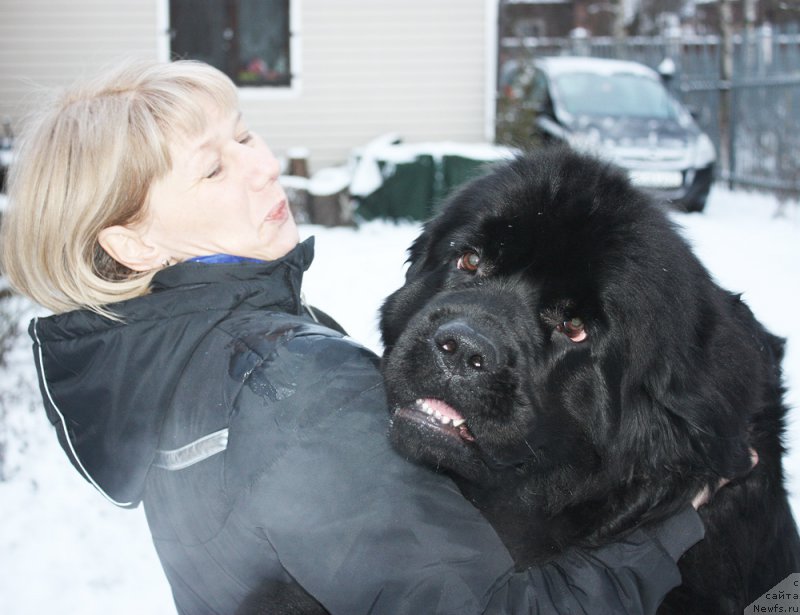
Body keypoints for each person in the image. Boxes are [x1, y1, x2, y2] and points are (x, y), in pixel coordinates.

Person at [1, 59, 708, 615]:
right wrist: (676, 525)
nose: (264, 165)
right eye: (213, 168)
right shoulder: (296, 390)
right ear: (133, 244)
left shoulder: (163, 367)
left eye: (242, 135)